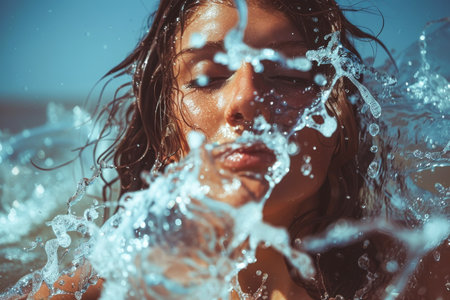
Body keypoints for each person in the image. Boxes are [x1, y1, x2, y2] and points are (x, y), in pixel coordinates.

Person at [28, 0, 447, 299]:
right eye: (207, 78)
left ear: (340, 125)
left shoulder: (421, 267)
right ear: (168, 134)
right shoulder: (110, 285)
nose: (247, 99)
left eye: (289, 76)